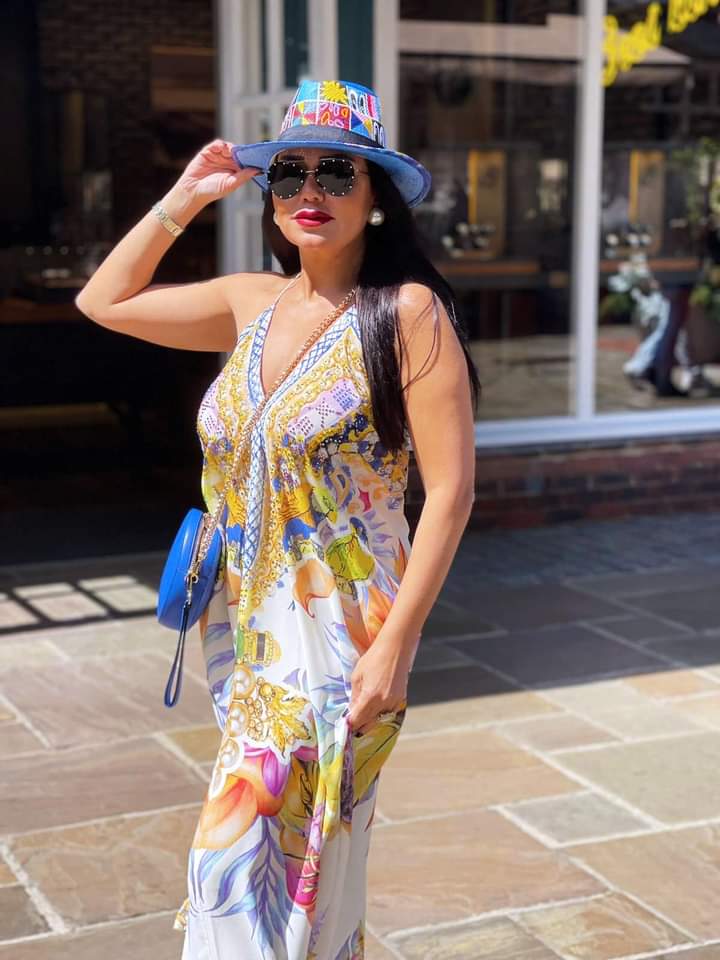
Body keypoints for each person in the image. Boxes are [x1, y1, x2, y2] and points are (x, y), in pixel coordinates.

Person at [75, 78, 479, 960]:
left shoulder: (406, 314)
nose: (309, 192)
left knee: (241, 861)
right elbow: (102, 301)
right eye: (289, 173)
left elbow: (451, 492)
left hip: (341, 635)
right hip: (248, 626)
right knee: (308, 875)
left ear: (375, 197)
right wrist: (186, 197)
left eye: (337, 173)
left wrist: (396, 647)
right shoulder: (250, 302)